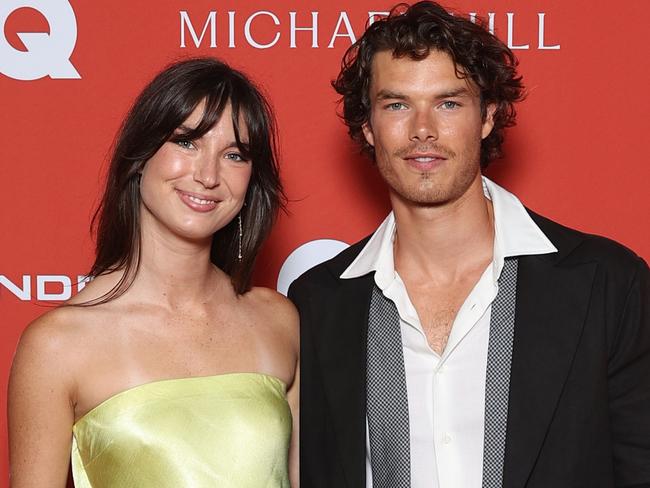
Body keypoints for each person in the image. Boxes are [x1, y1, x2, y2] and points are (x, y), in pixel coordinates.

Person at [289, 2, 650, 487]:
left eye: (448, 103)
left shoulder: (608, 283)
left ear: (487, 117)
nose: (423, 129)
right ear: (368, 127)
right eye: (397, 104)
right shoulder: (319, 302)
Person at [8, 58, 299, 488]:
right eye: (187, 143)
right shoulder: (57, 345)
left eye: (234, 154)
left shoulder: (278, 321)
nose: (208, 175)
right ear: (141, 155)